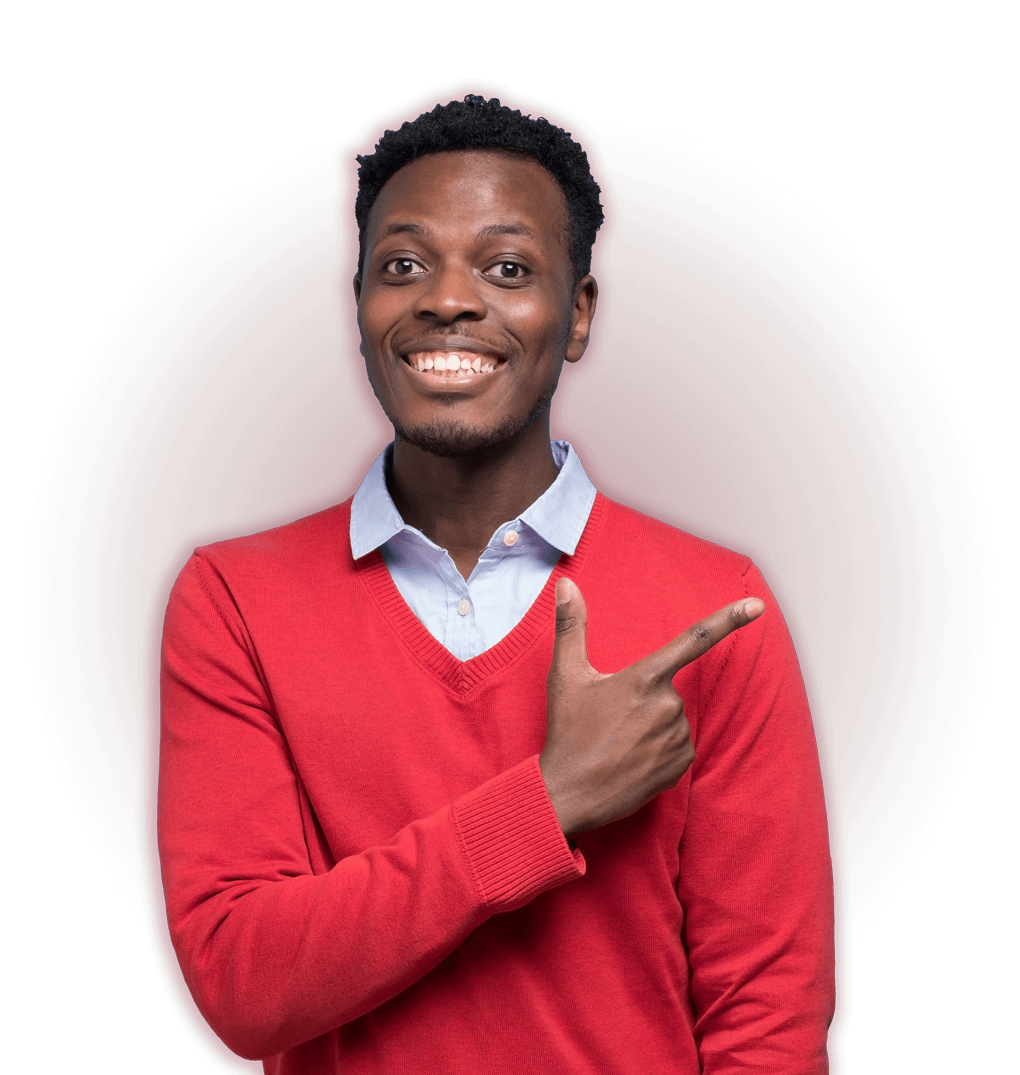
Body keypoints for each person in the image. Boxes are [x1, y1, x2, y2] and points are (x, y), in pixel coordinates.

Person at [158, 95, 835, 1074]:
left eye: (507, 268)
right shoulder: (233, 600)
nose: (448, 299)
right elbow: (244, 986)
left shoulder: (716, 605)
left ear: (579, 313)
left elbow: (767, 1022)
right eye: (403, 265)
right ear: (359, 307)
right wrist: (548, 802)